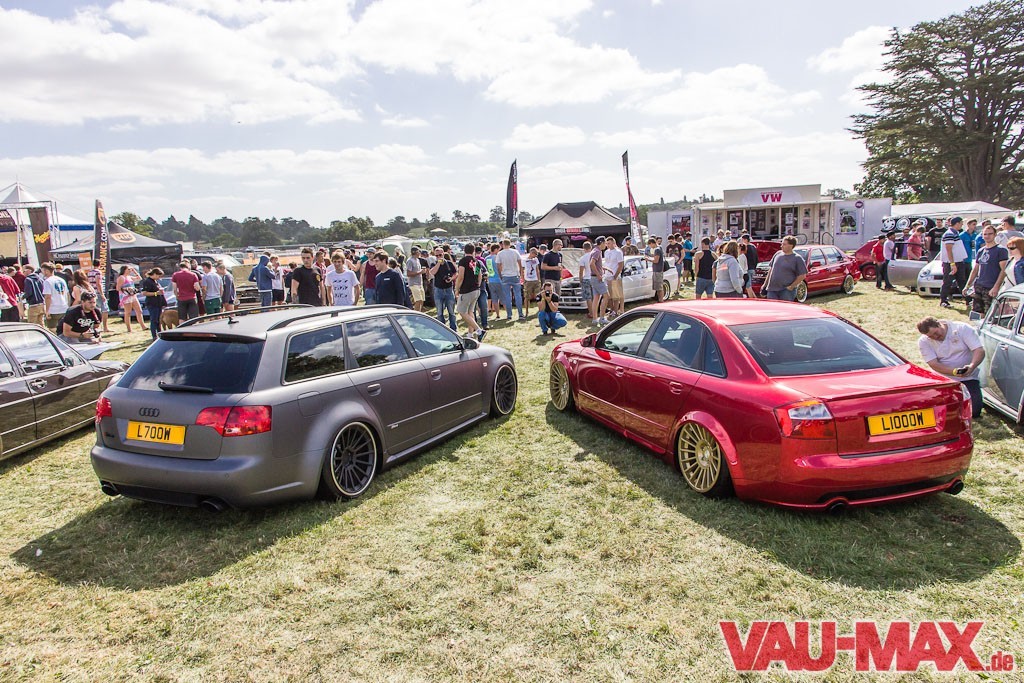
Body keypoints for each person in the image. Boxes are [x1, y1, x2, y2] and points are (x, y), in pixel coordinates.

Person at [917, 316, 985, 418]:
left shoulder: (961, 328)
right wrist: (954, 372)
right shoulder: (924, 341)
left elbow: (979, 350)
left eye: (936, 333)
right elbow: (933, 364)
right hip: (943, 378)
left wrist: (972, 366)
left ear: (939, 324)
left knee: (974, 411)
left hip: (968, 376)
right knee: (943, 412)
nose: (935, 337)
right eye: (931, 336)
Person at [964, 224, 1008, 317]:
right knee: (976, 314)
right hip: (979, 286)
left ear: (995, 234)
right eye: (985, 234)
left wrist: (996, 287)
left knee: (990, 315)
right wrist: (967, 285)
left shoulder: (1001, 250)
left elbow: (1003, 270)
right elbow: (975, 270)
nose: (987, 236)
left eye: (990, 234)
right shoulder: (981, 251)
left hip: (991, 287)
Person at [761, 235, 807, 301]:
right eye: (782, 244)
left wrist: (791, 286)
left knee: (785, 306)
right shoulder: (777, 254)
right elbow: (771, 270)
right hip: (772, 289)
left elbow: (802, 275)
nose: (781, 246)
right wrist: (765, 285)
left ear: (791, 246)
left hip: (786, 291)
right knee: (772, 306)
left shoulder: (797, 258)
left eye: (784, 244)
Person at [455, 243, 485, 340]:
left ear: (464, 250)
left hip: (466, 290)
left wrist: (457, 288)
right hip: (476, 289)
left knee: (461, 311)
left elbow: (461, 276)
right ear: (474, 251)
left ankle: (479, 330)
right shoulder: (477, 261)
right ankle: (470, 334)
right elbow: (479, 275)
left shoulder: (463, 261)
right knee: (470, 311)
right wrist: (478, 285)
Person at [939, 216, 969, 309]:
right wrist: (952, 264)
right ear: (957, 223)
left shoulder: (955, 233)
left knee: (962, 281)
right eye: (961, 223)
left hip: (958, 261)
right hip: (951, 263)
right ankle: (943, 300)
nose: (962, 225)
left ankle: (968, 301)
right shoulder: (949, 234)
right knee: (947, 282)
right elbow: (949, 249)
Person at [430, 246, 458, 331]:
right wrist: (438, 263)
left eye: (440, 255)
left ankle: (453, 329)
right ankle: (442, 330)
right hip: (438, 290)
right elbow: (432, 272)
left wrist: (451, 279)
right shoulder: (434, 264)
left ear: (443, 254)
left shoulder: (449, 263)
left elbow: (456, 273)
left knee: (451, 311)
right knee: (439, 312)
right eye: (437, 255)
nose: (439, 257)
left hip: (449, 289)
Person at [496, 239, 525, 320]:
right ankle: (520, 314)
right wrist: (521, 274)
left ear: (503, 244)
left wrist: (500, 275)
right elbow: (520, 264)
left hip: (505, 275)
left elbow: (498, 266)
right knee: (518, 295)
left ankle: (509, 315)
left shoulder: (500, 253)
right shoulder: (515, 252)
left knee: (507, 296)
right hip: (515, 275)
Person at [41, 262, 70, 331]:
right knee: (63, 328)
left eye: (43, 270)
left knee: (52, 329)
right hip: (64, 307)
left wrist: (47, 310)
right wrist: (68, 305)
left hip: (53, 309)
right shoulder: (61, 280)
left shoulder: (47, 281)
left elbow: (48, 296)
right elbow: (68, 294)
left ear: (46, 271)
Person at [139, 268, 167, 339]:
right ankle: (154, 335)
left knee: (158, 320)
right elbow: (144, 293)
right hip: (152, 303)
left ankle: (159, 333)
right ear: (154, 274)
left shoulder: (155, 281)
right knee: (154, 320)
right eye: (158, 276)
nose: (159, 278)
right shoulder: (147, 282)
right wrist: (156, 293)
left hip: (158, 303)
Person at [85, 259, 111, 332]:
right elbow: (98, 283)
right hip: (98, 292)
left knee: (94, 309)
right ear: (99, 264)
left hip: (92, 292)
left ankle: (95, 326)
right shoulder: (98, 272)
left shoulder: (89, 272)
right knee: (105, 310)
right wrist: (102, 294)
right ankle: (105, 327)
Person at [603, 237, 624, 317]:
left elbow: (620, 265)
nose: (607, 245)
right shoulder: (606, 252)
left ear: (613, 243)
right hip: (607, 275)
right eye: (607, 243)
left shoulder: (618, 252)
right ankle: (611, 309)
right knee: (609, 295)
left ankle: (615, 311)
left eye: (609, 243)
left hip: (615, 275)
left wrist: (616, 275)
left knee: (616, 295)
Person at [590, 237, 609, 325]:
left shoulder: (594, 250)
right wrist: (598, 275)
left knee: (596, 298)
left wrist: (603, 268)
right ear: (601, 243)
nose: (606, 245)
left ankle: (595, 319)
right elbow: (592, 263)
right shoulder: (597, 251)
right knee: (606, 296)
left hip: (593, 277)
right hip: (596, 278)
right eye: (605, 243)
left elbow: (596, 264)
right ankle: (602, 318)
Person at [646, 237, 667, 302]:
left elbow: (656, 260)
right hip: (657, 270)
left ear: (652, 243)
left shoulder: (657, 249)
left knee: (659, 287)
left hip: (658, 270)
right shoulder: (659, 248)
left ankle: (661, 300)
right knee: (657, 287)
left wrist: (648, 259)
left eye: (650, 245)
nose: (650, 247)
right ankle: (660, 299)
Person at [485, 243, 502, 319]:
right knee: (503, 297)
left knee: (494, 299)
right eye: (498, 250)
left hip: (490, 280)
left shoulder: (486, 258)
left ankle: (497, 314)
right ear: (495, 249)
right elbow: (500, 268)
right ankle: (508, 314)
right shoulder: (497, 258)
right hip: (498, 279)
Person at [578, 241, 595, 319]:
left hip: (586, 278)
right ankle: (595, 311)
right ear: (591, 247)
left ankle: (591, 313)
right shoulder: (594, 256)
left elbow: (581, 271)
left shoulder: (582, 258)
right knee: (595, 296)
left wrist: (580, 279)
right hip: (594, 277)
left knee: (588, 297)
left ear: (583, 248)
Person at [522, 247, 541, 315]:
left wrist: (538, 279)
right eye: (535, 254)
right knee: (527, 296)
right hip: (528, 280)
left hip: (535, 279)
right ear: (531, 253)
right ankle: (526, 311)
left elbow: (537, 269)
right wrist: (523, 279)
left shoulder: (536, 259)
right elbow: (522, 270)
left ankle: (540, 310)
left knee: (538, 295)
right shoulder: (524, 260)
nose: (535, 255)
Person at [406, 246, 425, 311]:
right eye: (419, 252)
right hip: (414, 283)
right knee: (418, 300)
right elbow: (408, 273)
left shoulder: (417, 260)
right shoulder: (410, 261)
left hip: (420, 283)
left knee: (422, 300)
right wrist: (420, 272)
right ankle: (416, 314)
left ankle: (419, 313)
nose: (420, 253)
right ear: (416, 252)